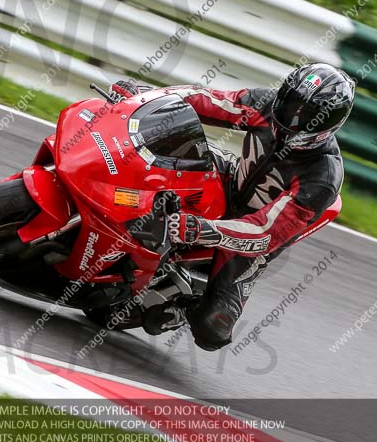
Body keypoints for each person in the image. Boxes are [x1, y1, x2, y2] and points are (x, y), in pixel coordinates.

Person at [109, 63, 356, 351]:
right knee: (162, 150)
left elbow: (264, 232)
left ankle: (183, 305)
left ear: (328, 123)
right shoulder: (266, 104)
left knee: (213, 328)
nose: (292, 115)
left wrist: (202, 229)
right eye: (290, 102)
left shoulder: (322, 177)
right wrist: (144, 97)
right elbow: (205, 99)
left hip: (251, 237)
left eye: (307, 114)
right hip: (231, 179)